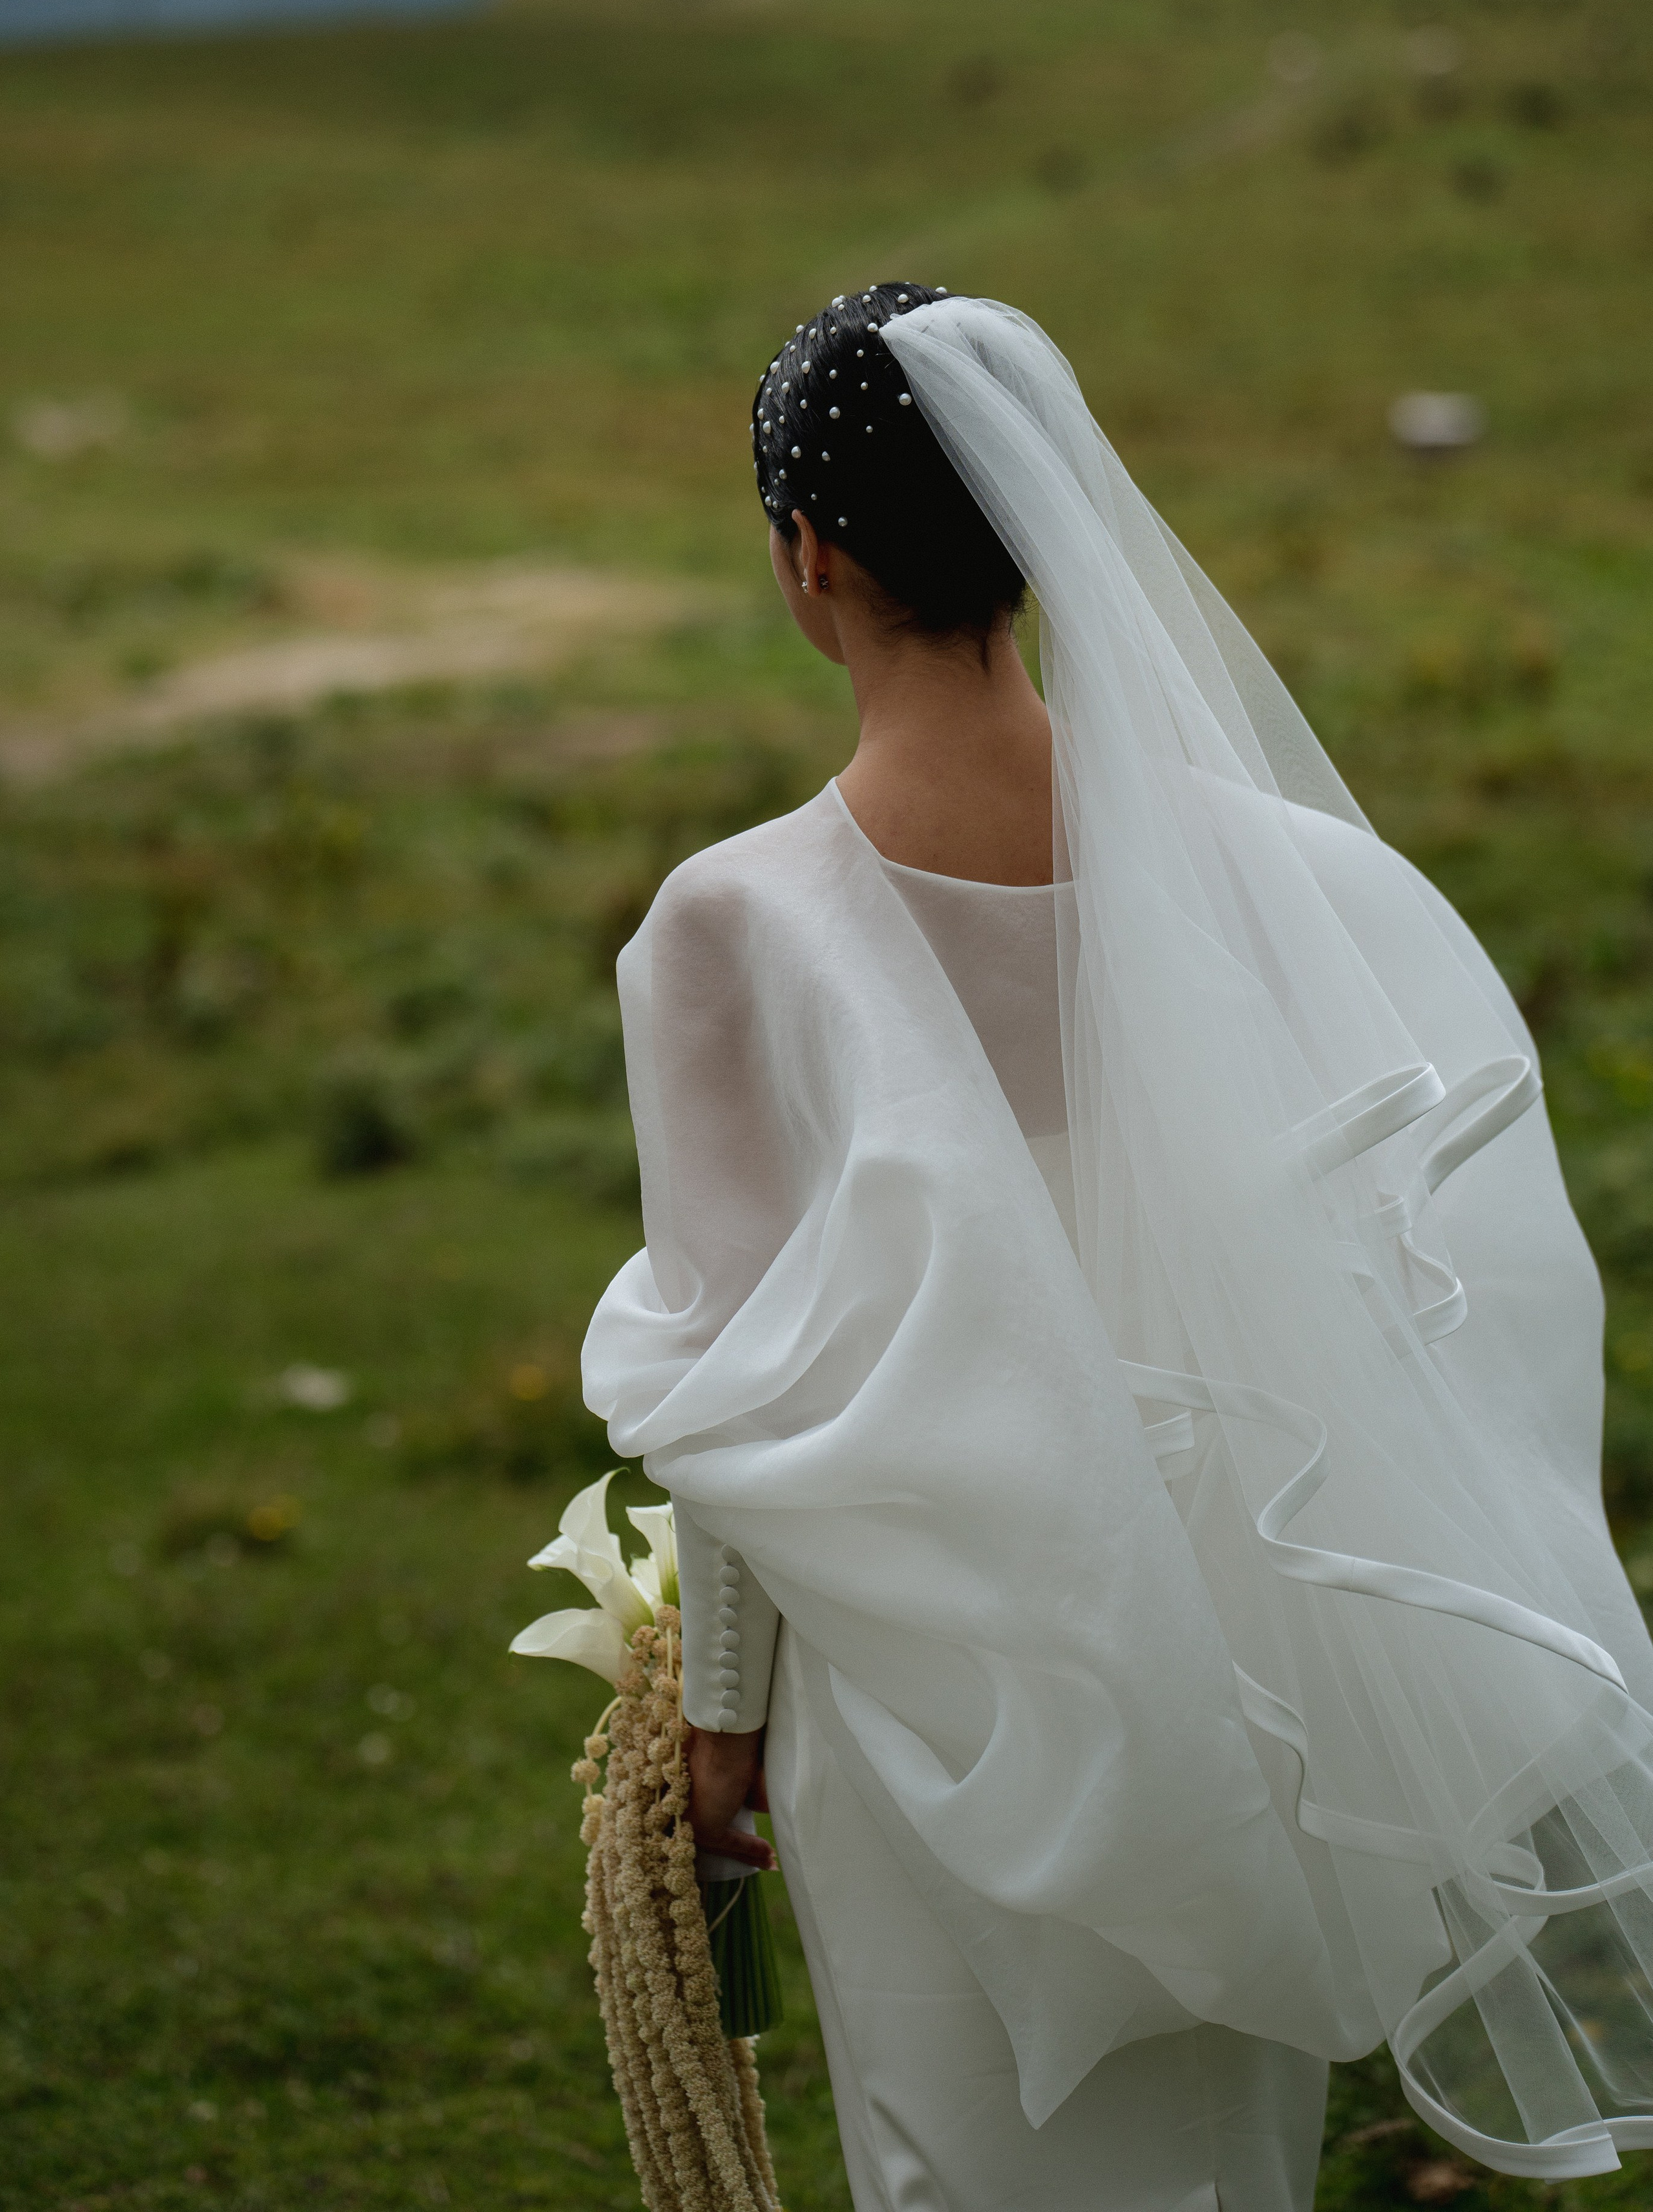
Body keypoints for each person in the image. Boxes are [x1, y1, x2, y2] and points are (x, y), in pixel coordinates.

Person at [583, 284, 1653, 2209]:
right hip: (1245, 1669)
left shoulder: (726, 932)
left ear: (805, 551)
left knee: (961, 2163)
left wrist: (718, 1725)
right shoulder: (1276, 879)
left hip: (926, 1708)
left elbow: (736, 1404)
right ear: (1040, 528)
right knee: (1229, 2168)